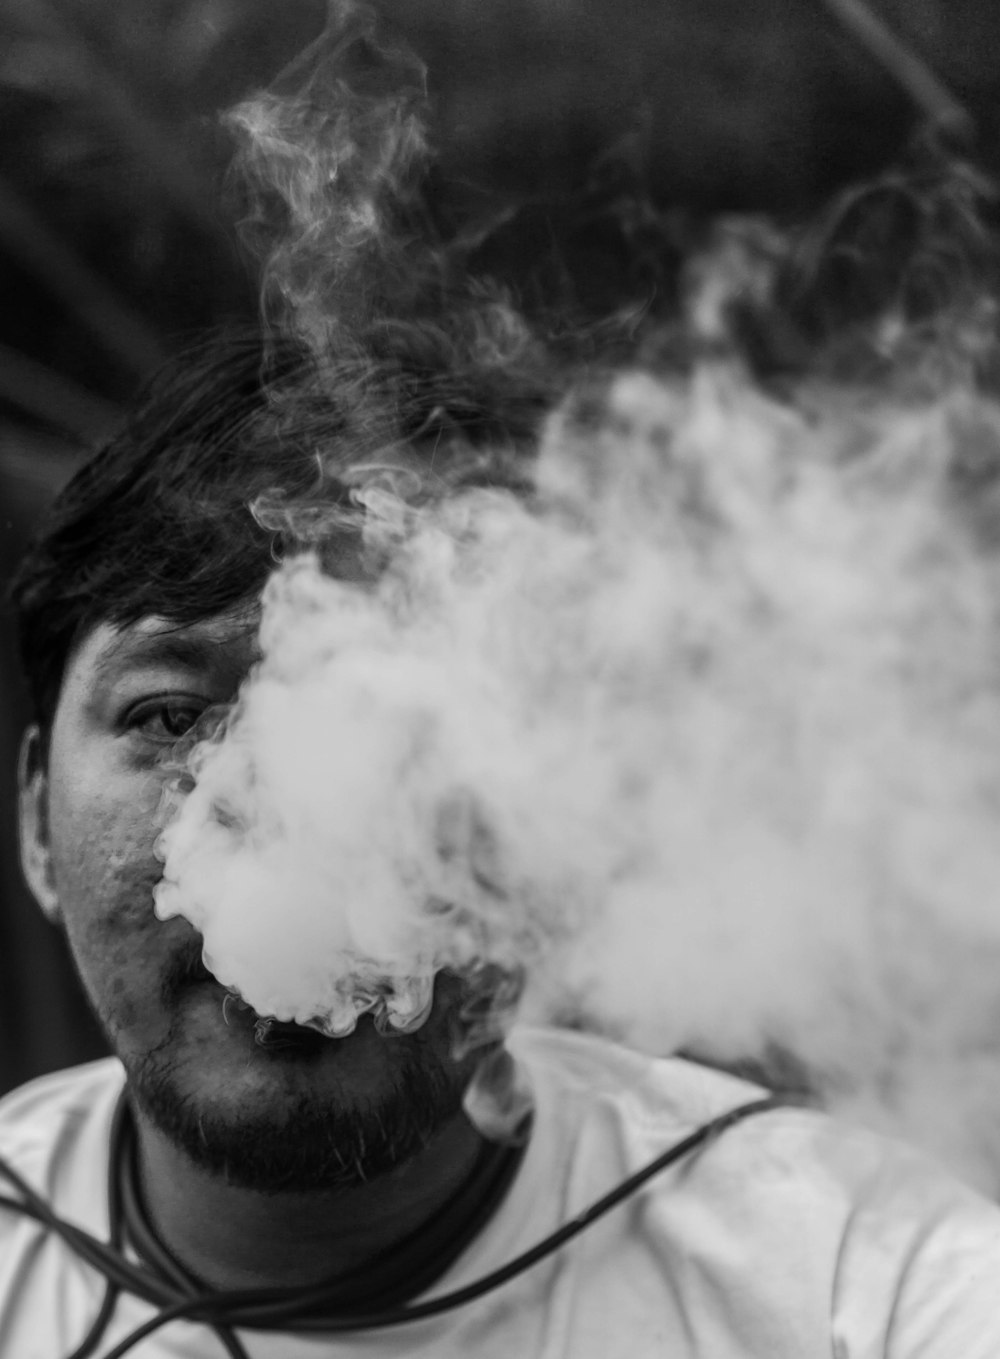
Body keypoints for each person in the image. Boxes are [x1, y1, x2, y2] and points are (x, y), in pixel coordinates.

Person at [2, 308, 1000, 1359]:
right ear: (34, 820)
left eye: (412, 724)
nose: (279, 823)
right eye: (168, 717)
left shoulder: (857, 1283)